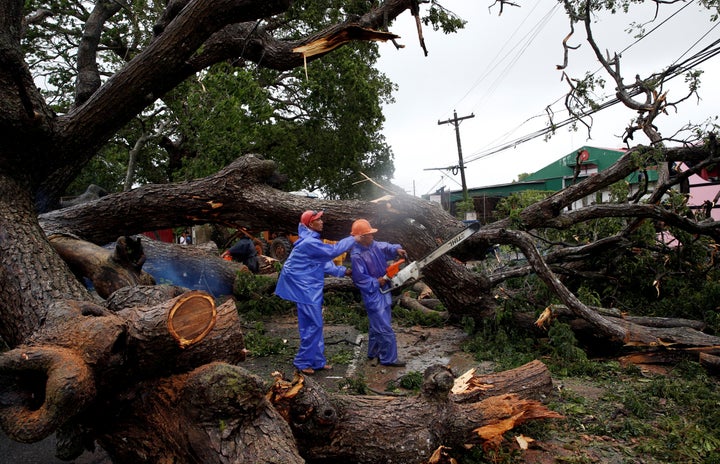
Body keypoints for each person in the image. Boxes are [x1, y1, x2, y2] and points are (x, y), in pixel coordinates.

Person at [275, 210, 358, 375]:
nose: (322, 222)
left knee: (312, 325)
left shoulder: (311, 241)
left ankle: (317, 361)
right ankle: (302, 361)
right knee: (314, 324)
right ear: (310, 224)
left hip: (309, 286)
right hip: (303, 287)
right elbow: (333, 252)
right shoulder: (309, 243)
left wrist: (343, 271)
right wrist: (353, 238)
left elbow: (323, 264)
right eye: (318, 220)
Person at [349, 219, 408, 367]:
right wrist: (377, 282)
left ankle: (373, 352)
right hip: (373, 293)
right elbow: (360, 279)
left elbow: (385, 247)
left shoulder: (373, 245)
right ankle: (389, 358)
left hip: (384, 288)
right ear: (361, 237)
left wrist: (396, 249)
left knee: (377, 324)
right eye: (369, 234)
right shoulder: (357, 255)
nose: (372, 236)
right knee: (383, 326)